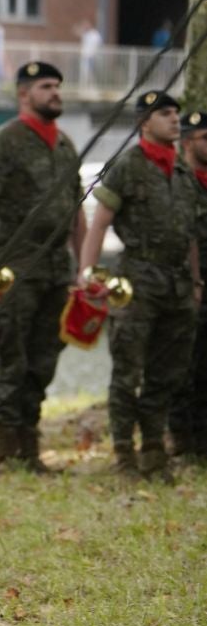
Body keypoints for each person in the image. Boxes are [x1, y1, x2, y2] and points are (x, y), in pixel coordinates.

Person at [78, 90, 202, 481]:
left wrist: (196, 281)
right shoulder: (128, 165)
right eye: (164, 113)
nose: (174, 119)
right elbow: (99, 222)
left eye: (176, 114)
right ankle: (124, 454)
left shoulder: (182, 173)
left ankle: (154, 449)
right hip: (137, 281)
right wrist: (88, 272)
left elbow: (192, 235)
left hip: (178, 284)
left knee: (167, 373)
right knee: (128, 373)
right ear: (144, 122)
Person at [0, 61, 84, 472]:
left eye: (57, 85)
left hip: (57, 269)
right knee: (10, 356)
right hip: (14, 266)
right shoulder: (3, 142)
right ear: (24, 94)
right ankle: (6, 452)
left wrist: (81, 269)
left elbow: (78, 213)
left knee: (44, 358)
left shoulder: (67, 146)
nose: (56, 92)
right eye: (46, 86)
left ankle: (30, 450)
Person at [169, 110, 207, 462]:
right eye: (204, 138)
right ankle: (182, 441)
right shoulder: (178, 179)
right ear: (187, 142)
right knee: (183, 364)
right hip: (179, 284)